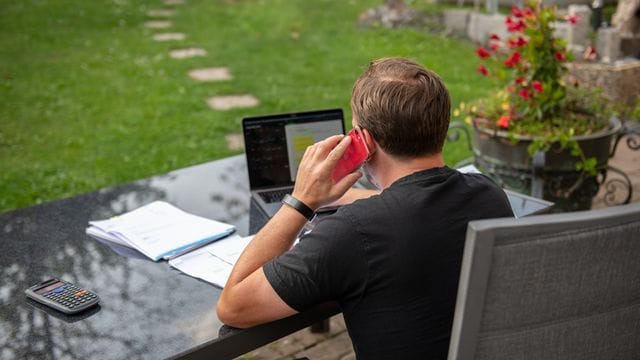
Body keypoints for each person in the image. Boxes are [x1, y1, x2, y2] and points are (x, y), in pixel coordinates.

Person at [217, 57, 514, 359]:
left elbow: (233, 307)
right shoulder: (489, 194)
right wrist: (339, 197)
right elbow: (415, 203)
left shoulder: (354, 233)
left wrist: (301, 201)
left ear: (364, 141)